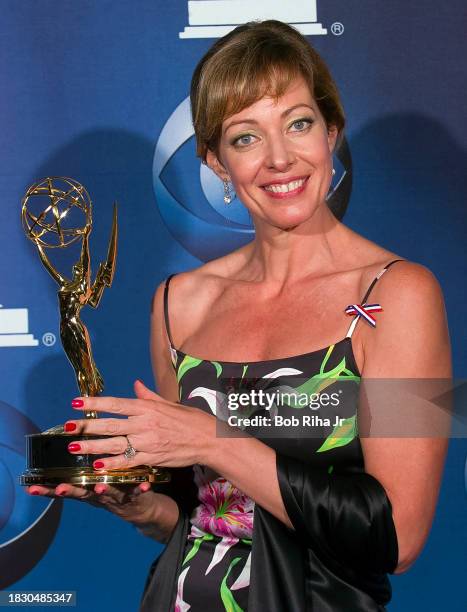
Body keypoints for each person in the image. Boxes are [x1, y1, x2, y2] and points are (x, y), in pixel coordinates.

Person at [26, 20, 452, 611]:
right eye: (245, 137)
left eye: (298, 124)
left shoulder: (402, 295)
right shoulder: (179, 302)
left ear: (332, 132)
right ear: (217, 163)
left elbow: (400, 538)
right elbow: (198, 515)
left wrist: (215, 440)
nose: (280, 158)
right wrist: (137, 503)